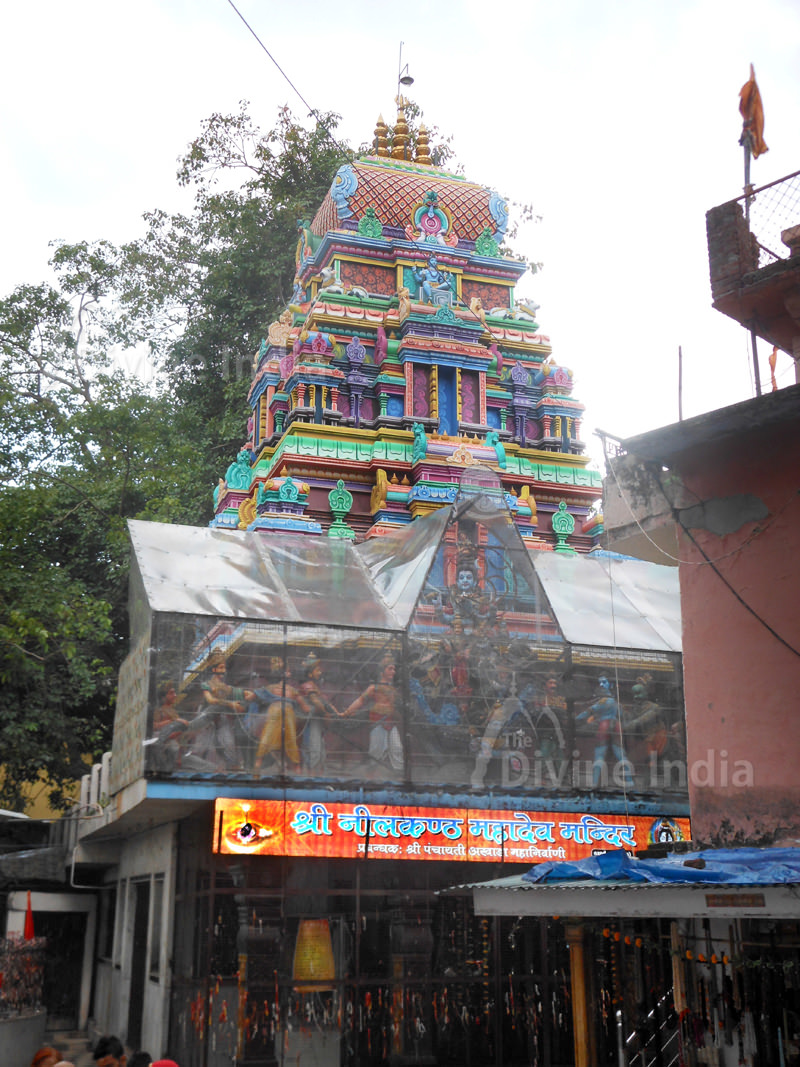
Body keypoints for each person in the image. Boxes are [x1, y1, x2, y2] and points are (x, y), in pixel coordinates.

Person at [341, 654, 403, 771]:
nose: (393, 672)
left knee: (397, 748)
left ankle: (400, 772)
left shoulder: (394, 690)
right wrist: (347, 712)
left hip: (391, 722)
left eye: (394, 669)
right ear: (382, 672)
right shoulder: (373, 688)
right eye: (390, 668)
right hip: (378, 721)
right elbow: (360, 700)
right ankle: (371, 774)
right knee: (376, 751)